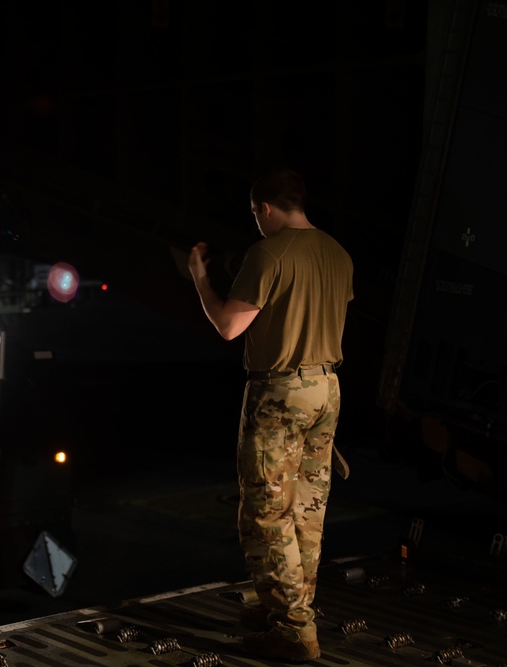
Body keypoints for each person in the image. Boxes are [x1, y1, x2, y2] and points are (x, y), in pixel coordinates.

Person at [186, 168, 353, 663]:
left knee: (267, 513)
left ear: (264, 208)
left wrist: (200, 278)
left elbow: (228, 326)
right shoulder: (338, 254)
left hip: (280, 392)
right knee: (306, 508)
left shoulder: (269, 253)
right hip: (327, 388)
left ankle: (295, 631)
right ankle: (286, 608)